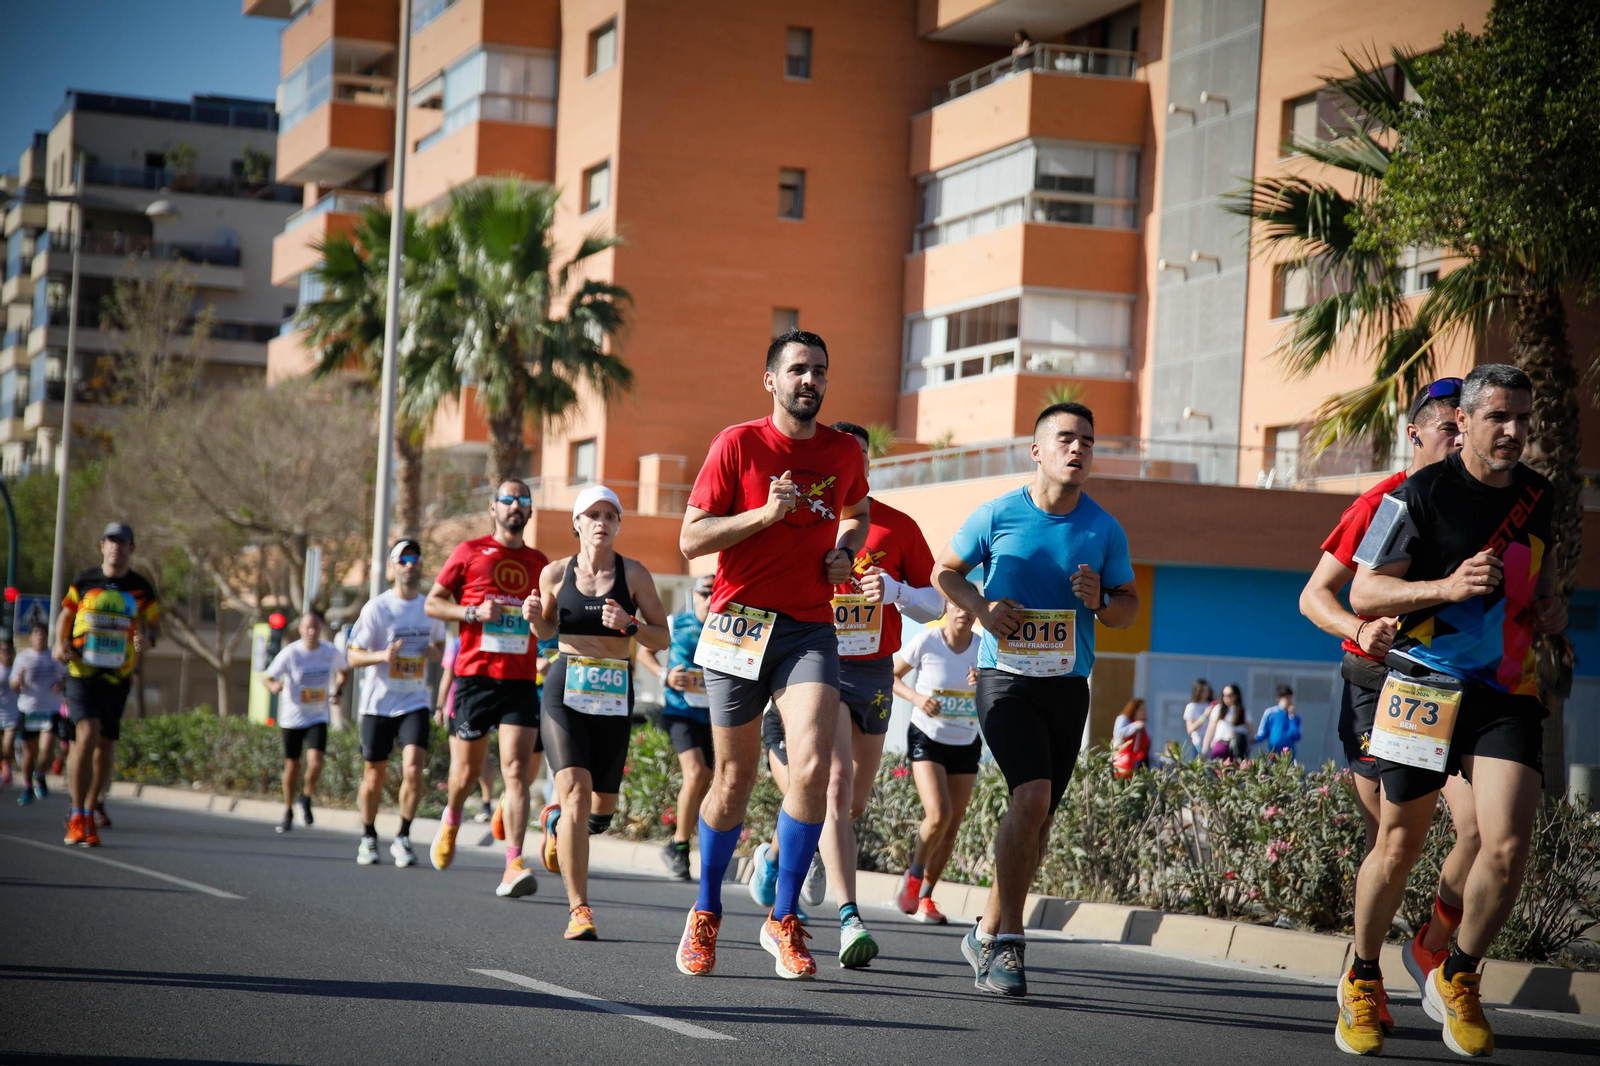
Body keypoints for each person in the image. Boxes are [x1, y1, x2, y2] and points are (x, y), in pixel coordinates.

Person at [1344, 365, 1564, 1058]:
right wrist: (1446, 583)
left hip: (1505, 687)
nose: (1514, 432)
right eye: (1499, 417)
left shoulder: (1540, 496)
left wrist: (1552, 609)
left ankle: (1459, 972)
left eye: (1524, 419)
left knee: (1505, 844)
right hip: (1423, 684)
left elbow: (1545, 583)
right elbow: (1365, 593)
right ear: (1462, 421)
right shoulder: (1416, 495)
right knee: (1400, 845)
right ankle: (1362, 974)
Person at [674, 329, 870, 981]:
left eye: (819, 369)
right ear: (771, 380)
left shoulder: (843, 450)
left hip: (809, 626)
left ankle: (783, 919)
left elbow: (858, 507)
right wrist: (762, 515)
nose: (809, 380)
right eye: (796, 370)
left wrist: (846, 548)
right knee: (733, 781)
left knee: (813, 767)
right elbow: (690, 539)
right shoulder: (737, 444)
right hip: (736, 626)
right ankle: (705, 913)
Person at [932, 400, 1139, 997]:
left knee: (1038, 817)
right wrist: (982, 610)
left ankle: (985, 930)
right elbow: (944, 572)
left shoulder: (1104, 528)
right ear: (1038, 451)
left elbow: (1127, 611)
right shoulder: (997, 515)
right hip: (1005, 679)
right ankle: (1011, 946)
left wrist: (1100, 600)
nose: (1079, 450)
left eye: (1089, 442)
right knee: (1033, 795)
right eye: (1067, 439)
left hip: (1068, 684)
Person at [1300, 378, 1480, 1040]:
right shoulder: (1385, 500)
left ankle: (1433, 944)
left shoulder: (1494, 505)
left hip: (1465, 686)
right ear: (1416, 435)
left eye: (1469, 430)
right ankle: (1364, 979)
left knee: (1483, 830)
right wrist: (1358, 621)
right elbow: (1314, 595)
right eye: (1448, 432)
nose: (1461, 442)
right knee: (1395, 842)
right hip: (1383, 684)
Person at [811, 420, 945, 967]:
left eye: (863, 457)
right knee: (836, 782)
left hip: (874, 672)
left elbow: (936, 605)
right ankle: (849, 916)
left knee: (853, 800)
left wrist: (893, 591)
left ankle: (785, 847)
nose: (856, 463)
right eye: (848, 455)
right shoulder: (809, 522)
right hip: (818, 664)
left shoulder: (899, 527)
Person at [525, 485, 670, 938]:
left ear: (619, 524)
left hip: (612, 691)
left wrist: (631, 625)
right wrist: (534, 618)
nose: (602, 522)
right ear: (577, 523)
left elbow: (661, 638)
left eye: (610, 514)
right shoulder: (554, 573)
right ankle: (579, 909)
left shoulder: (635, 575)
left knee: (599, 813)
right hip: (565, 684)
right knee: (575, 793)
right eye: (593, 514)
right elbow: (549, 626)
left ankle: (554, 823)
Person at [424, 482, 549, 898]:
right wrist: (472, 611)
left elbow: (549, 625)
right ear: (493, 507)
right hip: (475, 676)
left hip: (519, 678)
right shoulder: (469, 551)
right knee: (463, 775)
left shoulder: (539, 563)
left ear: (530, 512)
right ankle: (452, 817)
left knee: (516, 772)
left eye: (524, 501)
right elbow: (433, 603)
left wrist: (539, 618)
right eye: (509, 500)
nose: (516, 506)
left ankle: (513, 862)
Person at [55, 522, 160, 845]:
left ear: (131, 548)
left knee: (105, 745)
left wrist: (147, 638)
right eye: (111, 541)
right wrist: (59, 644)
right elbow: (66, 616)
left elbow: (154, 625)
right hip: (82, 672)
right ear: (102, 545)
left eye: (123, 542)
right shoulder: (84, 581)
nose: (116, 547)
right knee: (86, 735)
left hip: (118, 675)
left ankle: (90, 812)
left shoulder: (140, 587)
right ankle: (75, 815)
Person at [347, 540, 446, 867]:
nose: (410, 564)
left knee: (414, 769)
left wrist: (436, 653)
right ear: (393, 567)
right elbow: (352, 655)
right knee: (374, 776)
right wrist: (381, 656)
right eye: (403, 559)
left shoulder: (429, 606)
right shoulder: (377, 608)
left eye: (415, 558)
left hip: (414, 700)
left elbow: (442, 645)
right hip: (378, 704)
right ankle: (368, 835)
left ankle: (403, 836)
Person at [892, 601, 982, 923]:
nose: (965, 611)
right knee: (938, 813)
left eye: (970, 606)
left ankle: (926, 896)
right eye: (958, 604)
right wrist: (917, 698)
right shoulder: (927, 640)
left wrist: (983, 681)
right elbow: (892, 677)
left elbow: (999, 690)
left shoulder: (983, 650)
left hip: (966, 741)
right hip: (927, 737)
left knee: (951, 826)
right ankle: (914, 877)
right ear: (946, 608)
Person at [639, 573, 717, 880]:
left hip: (715, 716)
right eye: (705, 593)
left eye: (716, 592)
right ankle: (681, 847)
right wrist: (665, 676)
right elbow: (645, 651)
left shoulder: (729, 630)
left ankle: (679, 842)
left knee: (710, 780)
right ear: (695, 596)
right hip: (681, 712)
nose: (711, 599)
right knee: (696, 772)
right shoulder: (677, 623)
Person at [261, 611, 348, 833]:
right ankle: (288, 809)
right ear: (300, 629)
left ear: (320, 629)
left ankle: (306, 797)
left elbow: (343, 671)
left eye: (315, 627)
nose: (311, 631)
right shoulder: (291, 653)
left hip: (318, 715)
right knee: (293, 765)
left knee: (316, 762)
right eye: (307, 627)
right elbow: (267, 677)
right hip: (292, 717)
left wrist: (338, 690)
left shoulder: (329, 651)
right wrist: (274, 687)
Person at [13, 627, 64, 807]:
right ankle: (27, 787)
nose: (40, 637)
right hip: (28, 710)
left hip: (50, 709)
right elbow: (13, 684)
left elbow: (66, 677)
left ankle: (40, 774)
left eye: (42, 634)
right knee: (28, 753)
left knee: (47, 749)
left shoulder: (54, 656)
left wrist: (61, 684)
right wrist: (18, 680)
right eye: (36, 634)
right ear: (31, 638)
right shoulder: (22, 657)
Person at [1202, 684, 1251, 762]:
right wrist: (1204, 750)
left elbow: (1251, 732)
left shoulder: (1242, 712)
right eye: (1224, 695)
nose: (1226, 698)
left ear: (1236, 696)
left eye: (1229, 695)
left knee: (1234, 769)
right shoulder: (1218, 709)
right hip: (1221, 744)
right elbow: (1210, 731)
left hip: (1237, 747)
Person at [1254, 686, 1303, 761]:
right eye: (1286, 698)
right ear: (1279, 699)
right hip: (1273, 753)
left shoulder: (1296, 717)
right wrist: (1252, 739)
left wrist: (1292, 718)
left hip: (1288, 756)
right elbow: (1262, 733)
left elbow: (1296, 735)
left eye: (1290, 698)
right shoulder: (1270, 713)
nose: (1289, 701)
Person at [1111, 698, 1151, 778]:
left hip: (1138, 762)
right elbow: (1118, 734)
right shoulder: (1124, 719)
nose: (1144, 712)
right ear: (1135, 709)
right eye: (1142, 709)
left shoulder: (1145, 725)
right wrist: (1134, 726)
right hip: (1123, 760)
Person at [1182, 679, 1215, 758]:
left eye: (1207, 690)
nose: (1206, 693)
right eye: (1203, 691)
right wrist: (1204, 716)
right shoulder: (1191, 707)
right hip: (1197, 741)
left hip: (1211, 740)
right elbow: (1190, 729)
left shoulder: (1210, 705)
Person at [0, 641, 16, 793]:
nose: (6, 652)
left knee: (8, 745)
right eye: (3, 650)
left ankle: (6, 763)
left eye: (9, 650)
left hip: (12, 713)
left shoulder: (15, 669)